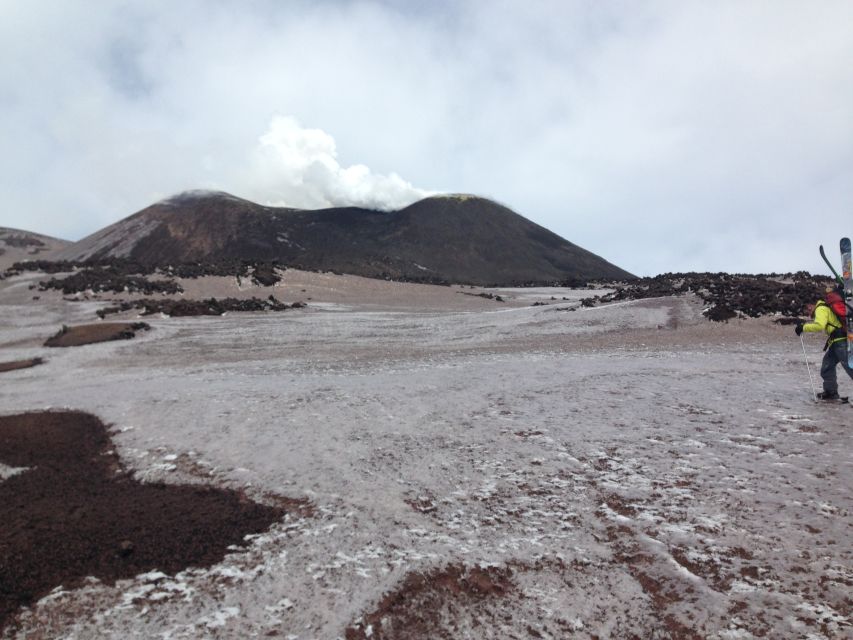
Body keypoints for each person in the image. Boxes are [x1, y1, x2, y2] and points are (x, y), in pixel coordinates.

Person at [795, 293, 853, 400]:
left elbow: (819, 326)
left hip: (840, 342)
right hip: (836, 342)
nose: (809, 314)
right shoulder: (824, 307)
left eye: (807, 311)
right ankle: (831, 392)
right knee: (827, 366)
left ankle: (831, 392)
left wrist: (803, 327)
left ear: (809, 306)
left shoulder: (820, 309)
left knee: (849, 367)